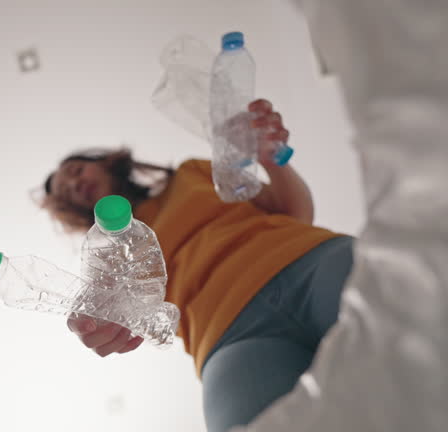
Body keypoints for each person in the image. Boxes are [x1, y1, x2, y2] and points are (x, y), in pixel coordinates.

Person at [39, 99, 355, 432]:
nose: (75, 185)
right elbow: (117, 311)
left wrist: (270, 158)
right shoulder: (109, 254)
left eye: (76, 172)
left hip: (309, 261)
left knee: (393, 322)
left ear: (104, 163)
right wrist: (97, 324)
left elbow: (294, 211)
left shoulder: (191, 172)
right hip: (228, 337)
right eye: (66, 193)